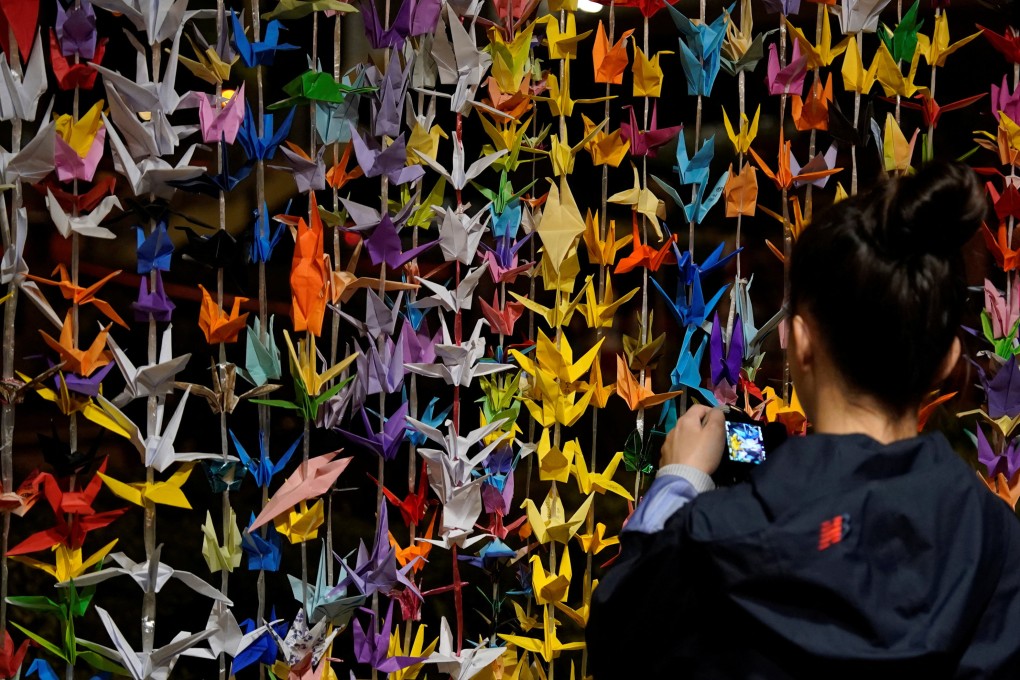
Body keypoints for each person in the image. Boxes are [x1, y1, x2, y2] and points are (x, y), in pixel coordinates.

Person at [587, 161, 1020, 679]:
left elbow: (620, 638)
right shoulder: (994, 540)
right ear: (949, 360)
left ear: (801, 343)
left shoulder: (717, 536)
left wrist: (678, 483)